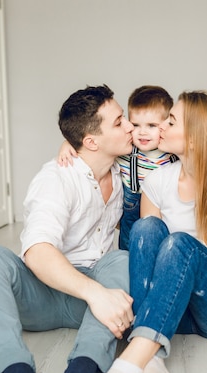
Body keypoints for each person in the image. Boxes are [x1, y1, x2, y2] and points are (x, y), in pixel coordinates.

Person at [77, 90, 207, 373]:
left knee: (180, 244)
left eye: (170, 121)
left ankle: (129, 366)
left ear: (192, 139)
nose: (160, 128)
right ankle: (153, 361)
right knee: (146, 229)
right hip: (177, 311)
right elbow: (150, 250)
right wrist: (68, 145)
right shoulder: (158, 180)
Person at [0, 84, 136, 373]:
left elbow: (163, 138)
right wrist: (96, 294)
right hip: (45, 293)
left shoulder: (121, 172)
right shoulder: (56, 179)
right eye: (120, 122)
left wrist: (97, 295)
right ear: (91, 141)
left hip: (89, 307)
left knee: (121, 259)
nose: (130, 126)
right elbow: (37, 251)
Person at [58, 85, 177, 250]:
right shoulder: (124, 152)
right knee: (128, 249)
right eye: (135, 125)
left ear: (165, 125)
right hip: (131, 214)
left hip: (164, 212)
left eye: (151, 126)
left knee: (163, 248)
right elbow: (89, 141)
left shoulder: (172, 153)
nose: (142, 132)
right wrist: (67, 143)